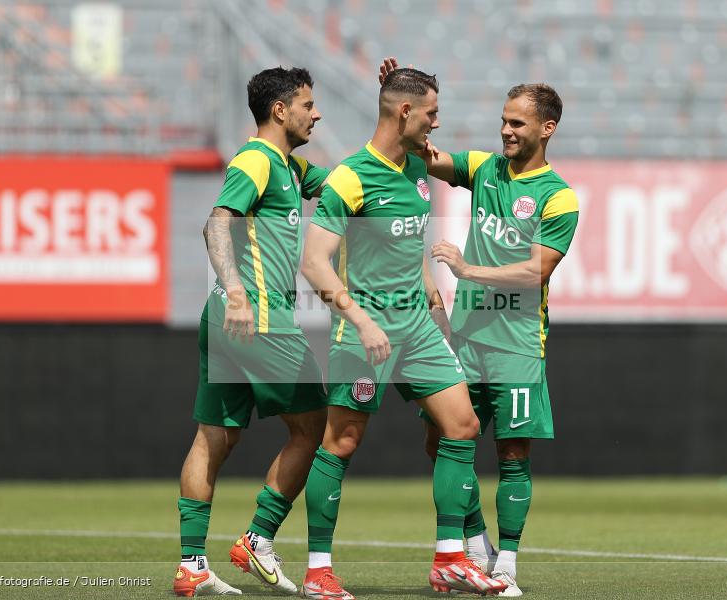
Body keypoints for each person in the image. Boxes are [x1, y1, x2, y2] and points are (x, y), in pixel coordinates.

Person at [299, 67, 508, 599]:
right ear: (405, 113)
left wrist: (430, 294)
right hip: (364, 330)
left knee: (461, 426)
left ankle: (449, 560)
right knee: (341, 441)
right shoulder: (350, 177)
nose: (438, 123)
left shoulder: (417, 165)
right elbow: (315, 264)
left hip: (417, 326)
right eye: (432, 113)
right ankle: (318, 571)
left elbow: (413, 239)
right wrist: (363, 320)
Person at [381, 56, 577, 597]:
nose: (506, 130)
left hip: (516, 343)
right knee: (441, 440)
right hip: (465, 340)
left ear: (547, 128)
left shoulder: (558, 195)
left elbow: (538, 269)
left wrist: (469, 270)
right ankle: (475, 544)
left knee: (513, 456)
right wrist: (397, 104)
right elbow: (428, 154)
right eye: (504, 120)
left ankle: (507, 563)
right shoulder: (485, 168)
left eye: (517, 123)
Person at [173, 66, 330, 597]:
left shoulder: (285, 164)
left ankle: (192, 565)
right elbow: (216, 222)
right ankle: (258, 538)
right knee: (315, 427)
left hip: (223, 316)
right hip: (255, 314)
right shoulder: (258, 160)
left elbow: (341, 183)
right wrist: (239, 292)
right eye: (308, 104)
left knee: (215, 436)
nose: (317, 113)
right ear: (280, 111)